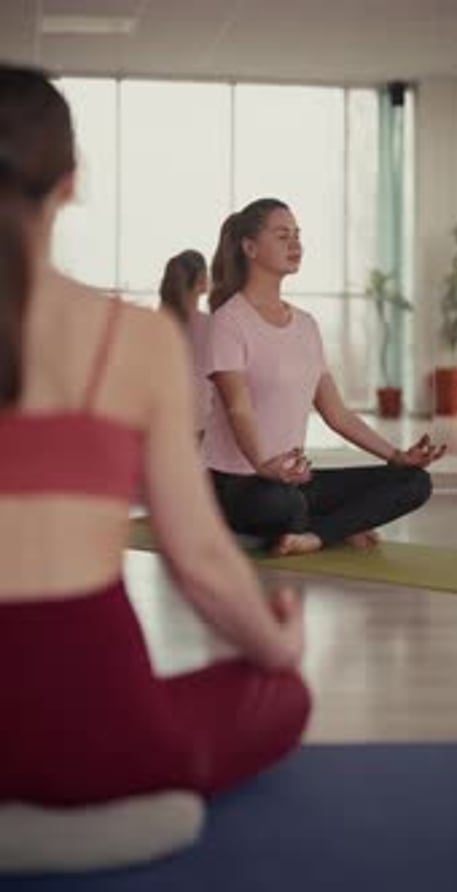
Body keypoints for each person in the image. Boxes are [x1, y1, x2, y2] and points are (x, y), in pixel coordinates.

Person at [0, 66, 310, 808]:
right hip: (99, 737)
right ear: (69, 183)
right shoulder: (135, 341)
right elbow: (198, 557)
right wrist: (279, 645)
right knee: (282, 694)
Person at [204, 198, 446, 556]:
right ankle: (335, 526)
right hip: (237, 483)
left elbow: (339, 415)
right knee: (285, 506)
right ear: (250, 247)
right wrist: (264, 465)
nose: (295, 243)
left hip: (293, 481)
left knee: (415, 483)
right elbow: (239, 408)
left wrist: (397, 456)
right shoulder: (229, 321)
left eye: (298, 235)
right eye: (283, 235)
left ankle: (312, 537)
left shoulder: (305, 326)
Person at [159, 250, 212, 438]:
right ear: (201, 282)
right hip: (201, 425)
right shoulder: (213, 327)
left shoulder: (153, 324)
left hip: (160, 421)